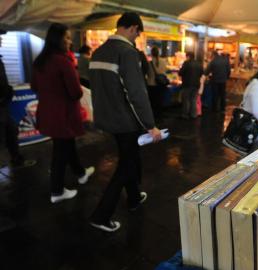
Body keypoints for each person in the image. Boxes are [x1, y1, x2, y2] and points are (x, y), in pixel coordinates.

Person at [89, 12, 162, 232]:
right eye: (136, 33)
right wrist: (151, 125)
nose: (136, 38)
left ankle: (133, 198)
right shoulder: (127, 53)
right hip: (125, 121)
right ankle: (101, 215)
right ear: (132, 28)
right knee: (126, 164)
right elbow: (137, 94)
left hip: (107, 118)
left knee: (129, 158)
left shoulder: (98, 51)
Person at [31, 23, 94, 204]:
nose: (69, 41)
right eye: (66, 37)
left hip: (48, 113)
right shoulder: (62, 61)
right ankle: (57, 191)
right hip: (63, 115)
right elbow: (76, 92)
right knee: (60, 153)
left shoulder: (40, 61)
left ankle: (81, 173)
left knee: (67, 144)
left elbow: (34, 86)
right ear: (57, 39)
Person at [0, 29, 34, 168]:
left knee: (12, 131)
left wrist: (8, 92)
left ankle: (17, 160)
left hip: (3, 106)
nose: (1, 40)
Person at [179, 52, 203, 119]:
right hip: (196, 85)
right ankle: (193, 115)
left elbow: (180, 73)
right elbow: (201, 73)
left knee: (186, 100)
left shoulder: (186, 63)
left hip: (187, 84)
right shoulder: (199, 63)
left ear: (188, 56)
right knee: (193, 100)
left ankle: (185, 115)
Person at [147, 46, 168, 118]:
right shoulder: (164, 61)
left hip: (151, 84)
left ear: (151, 53)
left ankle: (153, 116)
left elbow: (147, 73)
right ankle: (160, 116)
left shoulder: (149, 62)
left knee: (153, 101)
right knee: (160, 101)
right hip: (161, 84)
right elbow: (165, 71)